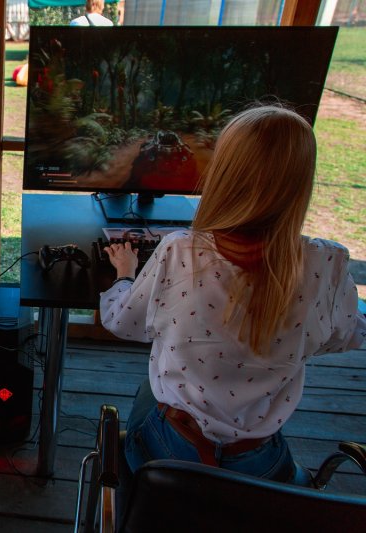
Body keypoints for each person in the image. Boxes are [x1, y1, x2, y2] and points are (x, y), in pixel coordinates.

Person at [100, 105, 365, 484]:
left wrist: (125, 274)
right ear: (300, 182)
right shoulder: (328, 262)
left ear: (225, 173)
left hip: (171, 455)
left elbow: (122, 321)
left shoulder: (182, 251)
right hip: (262, 466)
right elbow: (346, 334)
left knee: (147, 392)